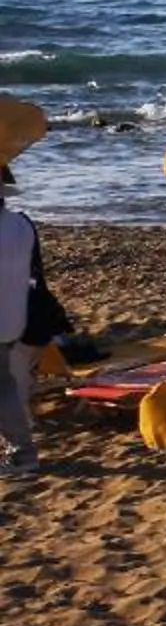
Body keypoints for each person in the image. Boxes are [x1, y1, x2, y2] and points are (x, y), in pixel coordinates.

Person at [0, 165, 38, 475]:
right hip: (12, 318)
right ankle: (23, 452)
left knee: (3, 391)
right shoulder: (22, 225)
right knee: (5, 387)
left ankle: (23, 452)